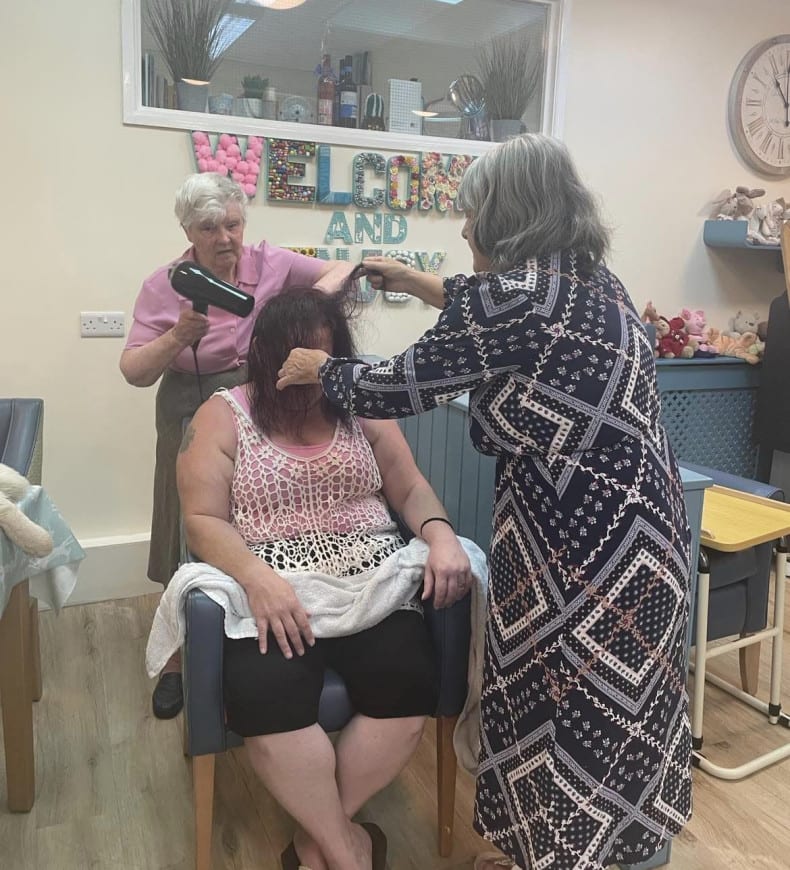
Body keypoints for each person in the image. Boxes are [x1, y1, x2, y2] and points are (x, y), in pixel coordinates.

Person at [277, 134, 693, 870]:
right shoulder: (596, 281)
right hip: (648, 541)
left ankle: (563, 855)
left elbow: (399, 385)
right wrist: (418, 281)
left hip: (577, 555)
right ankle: (591, 852)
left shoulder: (509, 301)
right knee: (626, 709)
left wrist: (323, 368)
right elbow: (508, 313)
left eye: (472, 216)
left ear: (505, 219)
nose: (464, 231)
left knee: (569, 712)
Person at [176, 286, 473, 870]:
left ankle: (319, 840)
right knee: (267, 699)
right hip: (272, 579)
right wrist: (256, 578)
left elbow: (409, 488)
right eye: (295, 359)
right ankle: (347, 848)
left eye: (321, 359)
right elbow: (202, 520)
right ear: (263, 355)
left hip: (370, 579)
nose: (309, 374)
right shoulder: (223, 413)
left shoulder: (362, 405)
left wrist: (439, 533)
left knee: (405, 685)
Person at [120, 172, 353, 720]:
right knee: (187, 520)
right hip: (188, 402)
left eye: (233, 223)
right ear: (187, 230)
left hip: (262, 397)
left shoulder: (272, 262)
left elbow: (344, 270)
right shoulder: (165, 284)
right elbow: (132, 370)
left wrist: (303, 304)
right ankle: (177, 657)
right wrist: (178, 335)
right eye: (209, 227)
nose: (226, 238)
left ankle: (248, 631)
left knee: (254, 517)